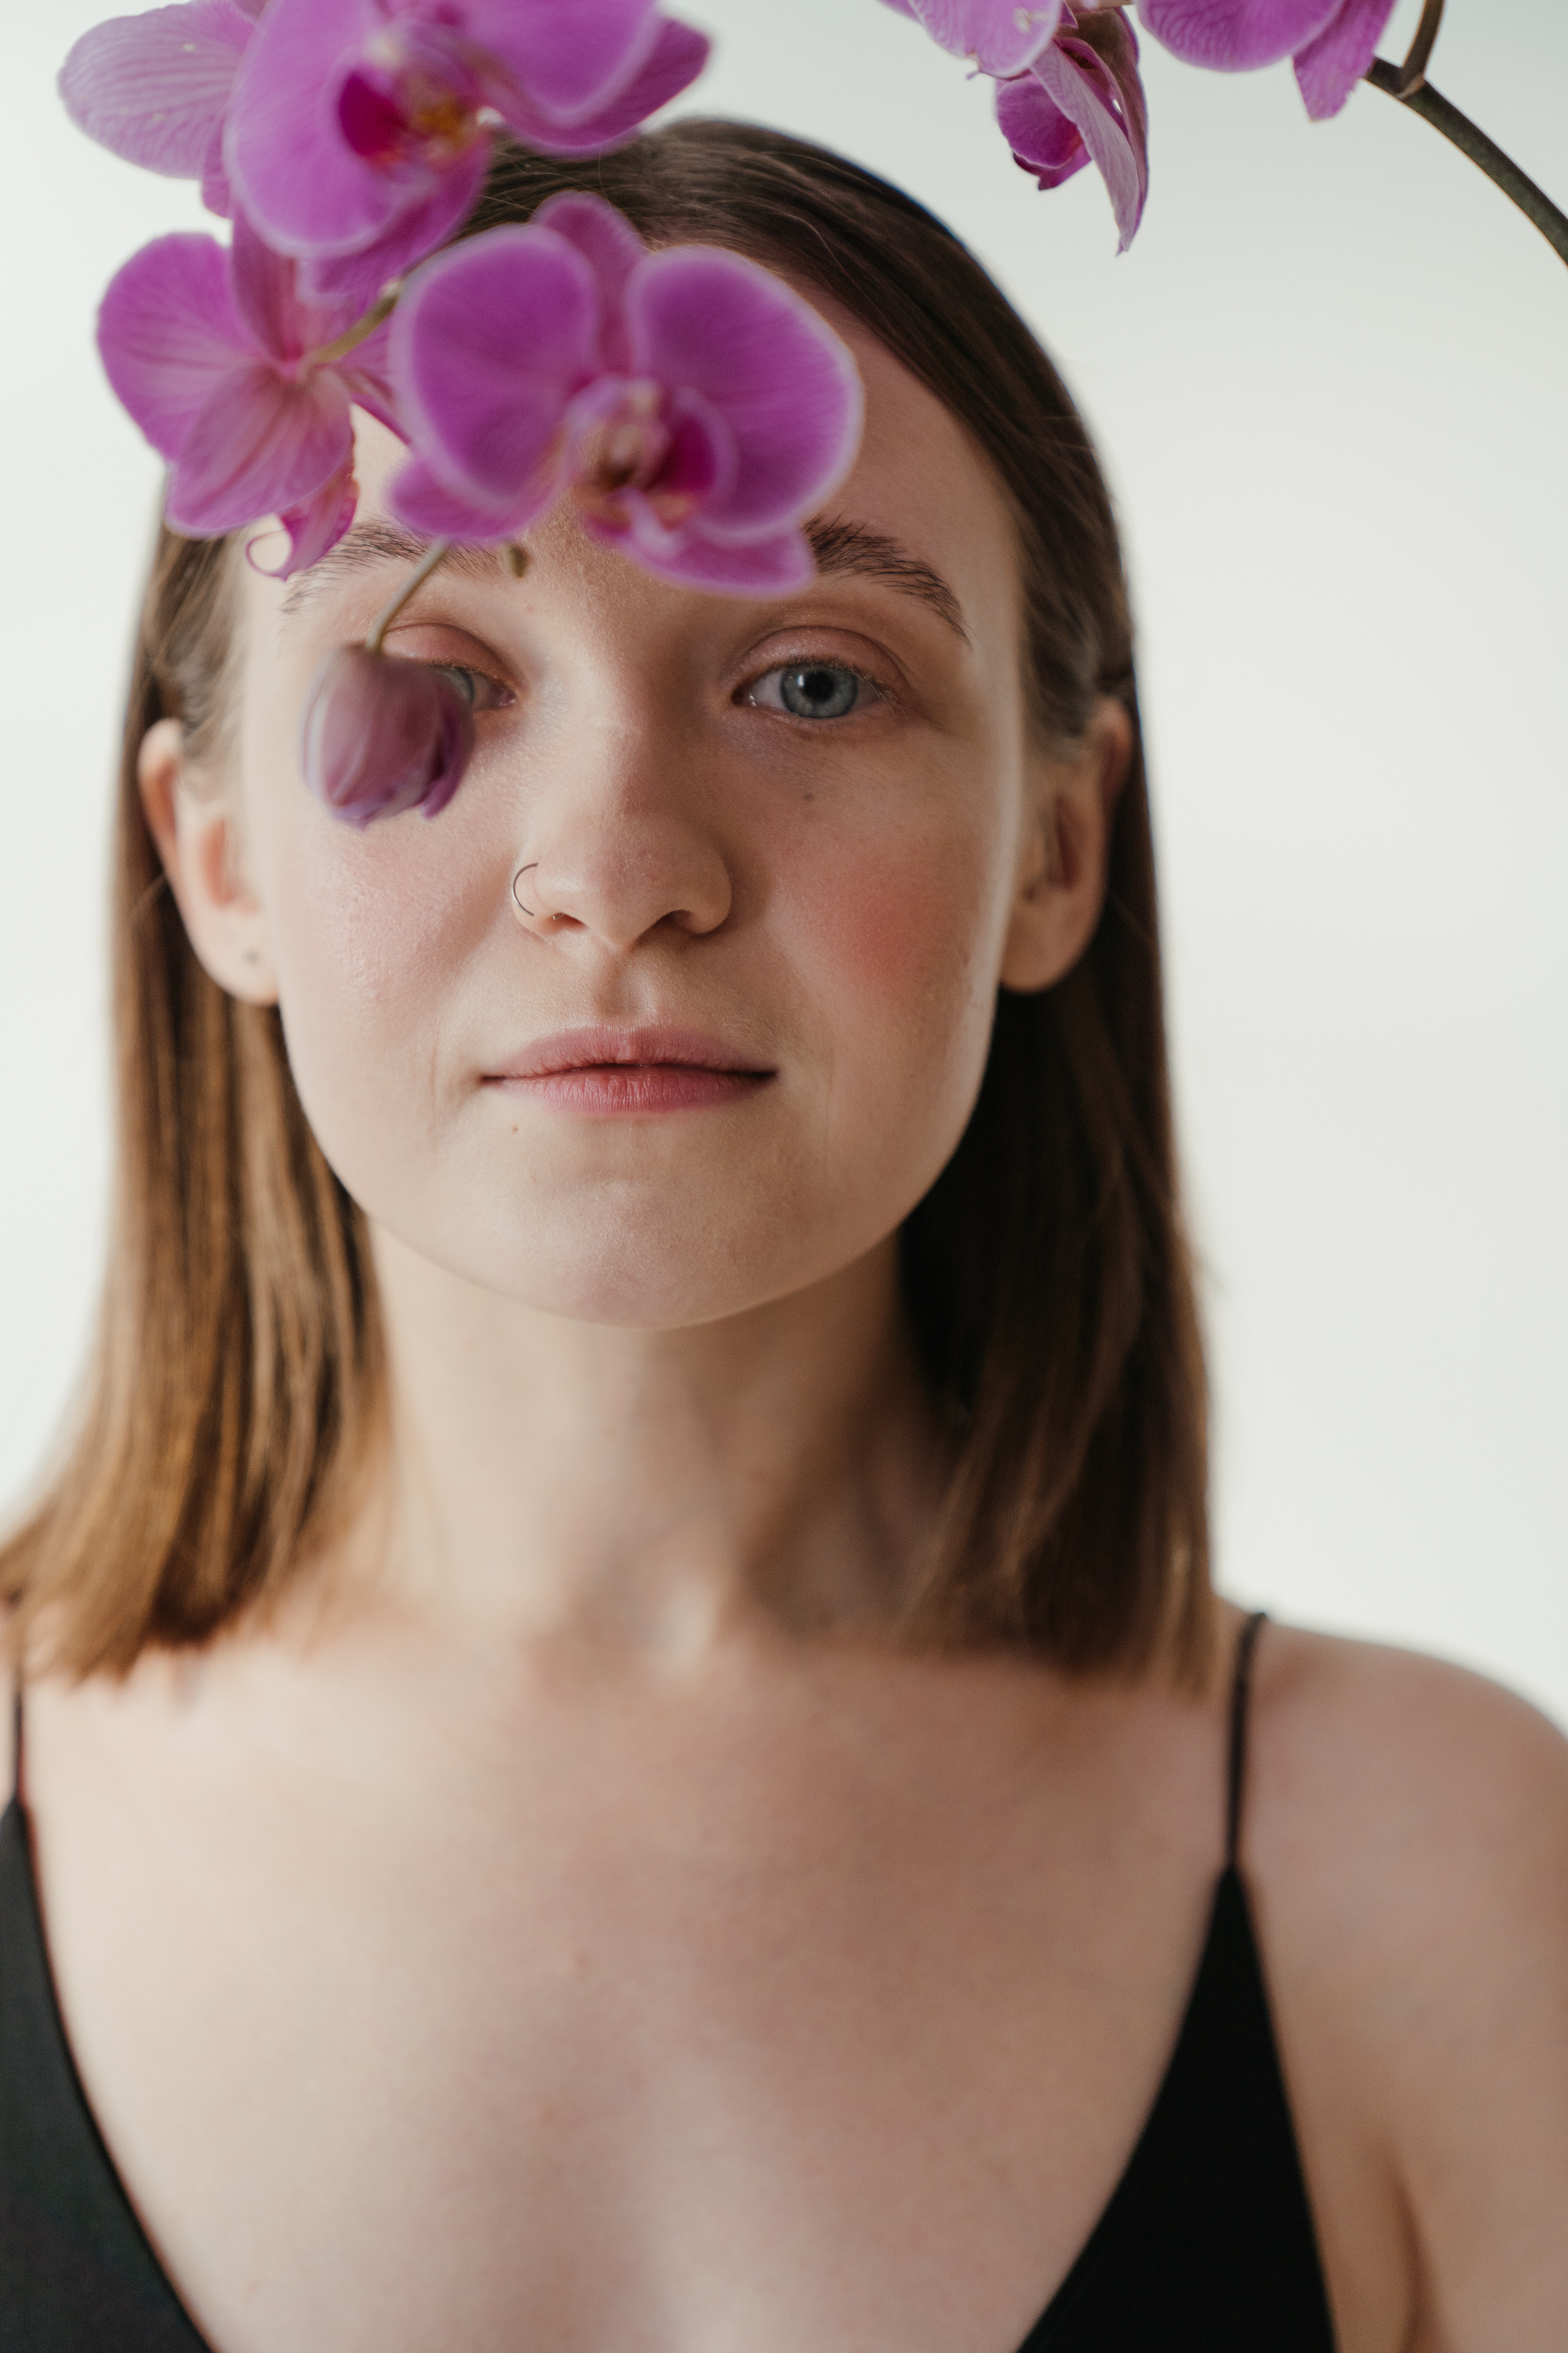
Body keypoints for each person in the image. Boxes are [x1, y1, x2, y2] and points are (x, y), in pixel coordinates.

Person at [1, 122, 1565, 2352]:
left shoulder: (1436, 1885)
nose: (621, 866)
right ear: (219, 854)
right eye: (437, 673)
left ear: (1057, 844)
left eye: (813, 678)